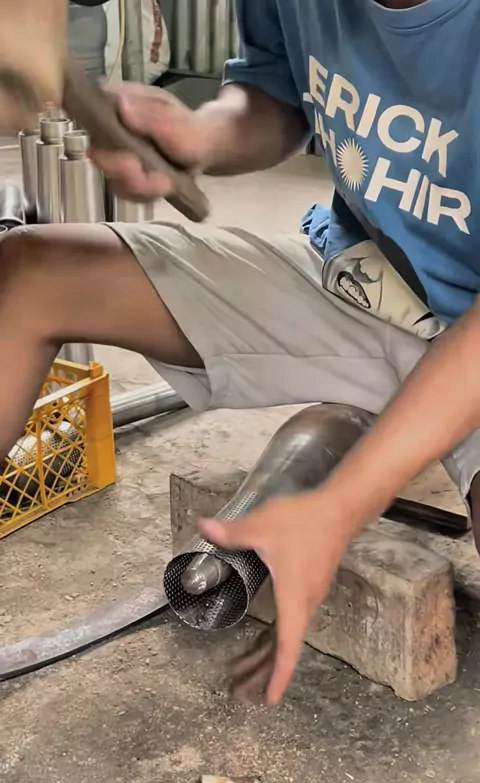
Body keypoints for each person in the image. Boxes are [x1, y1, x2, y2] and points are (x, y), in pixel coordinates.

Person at [2, 0, 480, 703]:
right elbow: (279, 93)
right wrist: (202, 134)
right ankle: (356, 421)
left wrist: (339, 506)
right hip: (360, 276)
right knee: (29, 278)